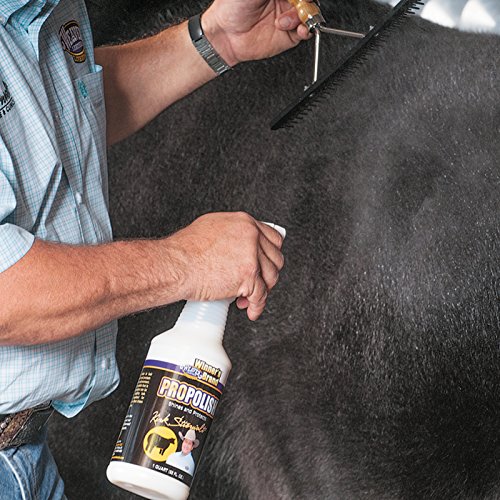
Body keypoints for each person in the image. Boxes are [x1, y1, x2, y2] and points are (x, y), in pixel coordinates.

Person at [0, 0, 310, 497]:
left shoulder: (44, 9)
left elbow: (54, 118)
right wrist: (189, 262)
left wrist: (217, 39)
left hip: (25, 455)